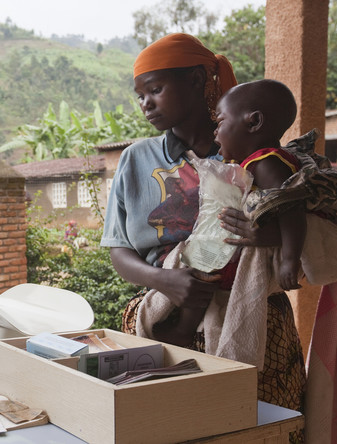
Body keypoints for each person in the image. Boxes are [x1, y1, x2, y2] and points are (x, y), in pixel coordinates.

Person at [100, 33, 305, 413]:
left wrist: (267, 236)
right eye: (140, 95)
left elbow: (306, 228)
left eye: (156, 89)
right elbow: (118, 249)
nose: (145, 104)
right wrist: (165, 280)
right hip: (164, 317)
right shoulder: (136, 159)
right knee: (163, 427)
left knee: (263, 427)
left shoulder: (256, 153)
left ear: (196, 80)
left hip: (254, 322)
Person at [214, 79, 304, 291]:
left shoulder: (267, 163)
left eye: (220, 123)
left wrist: (290, 259)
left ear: (254, 122)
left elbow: (292, 210)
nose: (215, 132)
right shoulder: (252, 163)